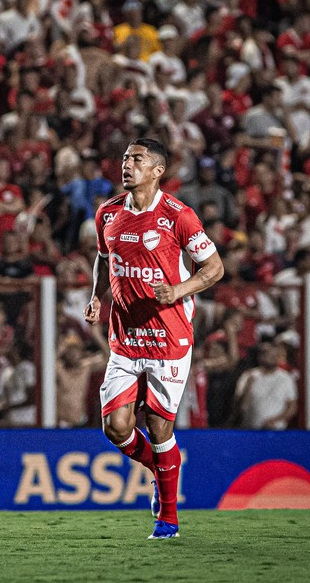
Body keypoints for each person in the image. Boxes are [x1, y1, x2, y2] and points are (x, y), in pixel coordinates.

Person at [84, 137, 224, 540]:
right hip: (126, 338)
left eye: (137, 160)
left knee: (160, 429)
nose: (127, 165)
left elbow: (214, 268)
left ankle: (168, 519)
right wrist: (97, 296)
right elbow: (104, 259)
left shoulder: (179, 216)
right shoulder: (108, 213)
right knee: (115, 427)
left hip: (169, 339)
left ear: (157, 171)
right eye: (126, 158)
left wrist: (179, 290)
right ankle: (159, 469)